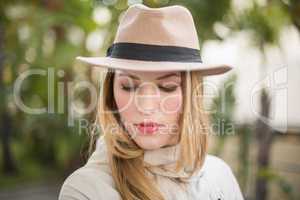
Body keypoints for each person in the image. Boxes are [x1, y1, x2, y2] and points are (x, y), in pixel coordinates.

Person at [59, 3, 244, 200]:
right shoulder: (86, 189)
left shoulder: (220, 176)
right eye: (128, 86)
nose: (146, 107)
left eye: (167, 87)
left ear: (192, 94)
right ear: (110, 94)